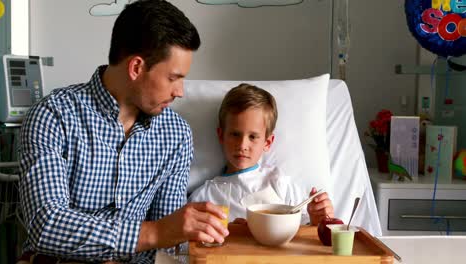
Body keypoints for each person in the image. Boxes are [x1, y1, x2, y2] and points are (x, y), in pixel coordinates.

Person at [18, 1, 228, 263]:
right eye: (173, 78)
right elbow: (47, 225)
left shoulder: (176, 134)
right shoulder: (53, 116)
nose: (180, 91)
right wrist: (156, 233)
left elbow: (168, 239)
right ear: (136, 67)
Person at [189, 83, 334, 226]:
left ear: (267, 142)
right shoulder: (205, 196)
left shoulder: (279, 183)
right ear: (221, 136)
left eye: (253, 137)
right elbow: (192, 244)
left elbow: (304, 231)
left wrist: (316, 220)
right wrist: (236, 235)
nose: (242, 145)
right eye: (235, 134)